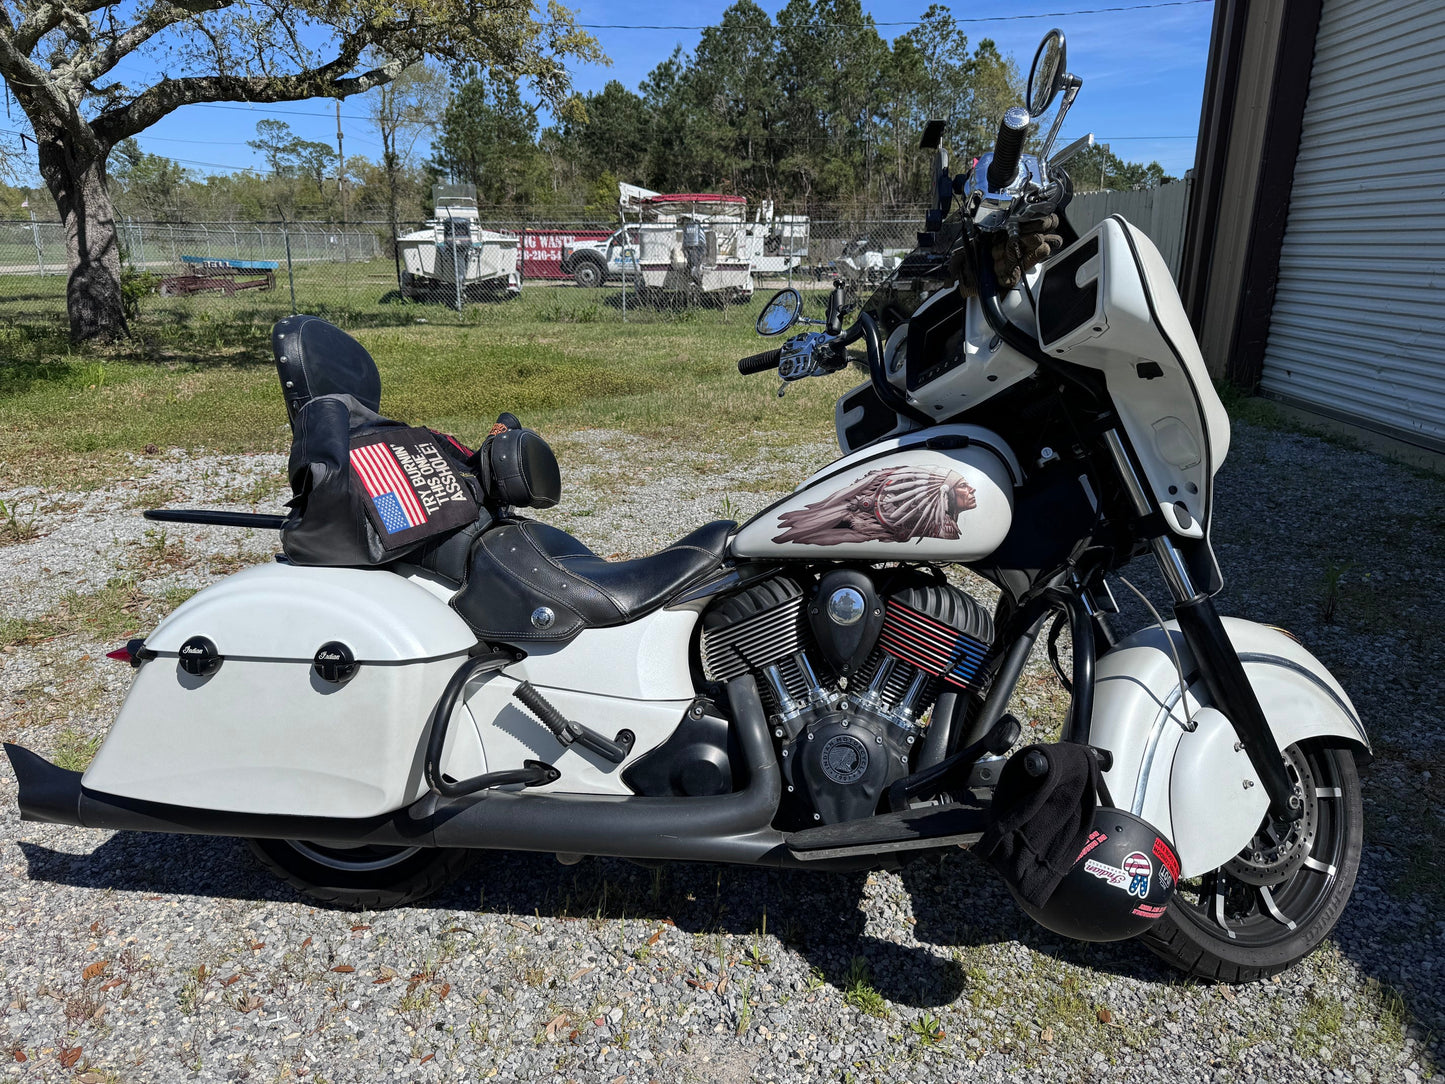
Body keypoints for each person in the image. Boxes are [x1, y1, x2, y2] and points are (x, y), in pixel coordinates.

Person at [772, 466, 977, 546]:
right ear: (946, 492)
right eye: (963, 486)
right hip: (870, 512)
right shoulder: (931, 494)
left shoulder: (946, 523)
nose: (972, 490)